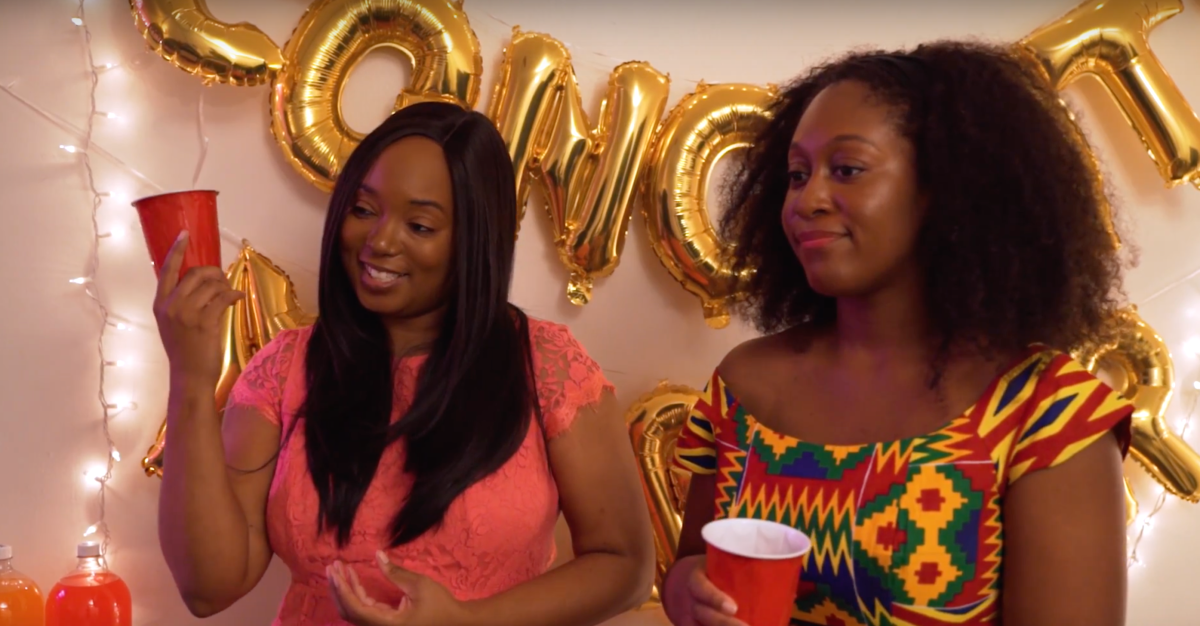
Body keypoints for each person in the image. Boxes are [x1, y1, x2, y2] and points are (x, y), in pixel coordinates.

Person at [662, 41, 1134, 626]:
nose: (806, 200)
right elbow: (693, 564)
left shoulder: (1047, 418)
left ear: (946, 189)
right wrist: (686, 592)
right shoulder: (743, 389)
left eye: (848, 170)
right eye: (796, 174)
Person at [153, 101, 654, 626]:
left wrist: (465, 621)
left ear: (473, 240)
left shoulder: (545, 366)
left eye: (419, 225)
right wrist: (190, 379)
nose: (380, 241)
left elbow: (624, 564)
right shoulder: (285, 369)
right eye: (364, 210)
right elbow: (208, 587)